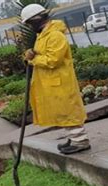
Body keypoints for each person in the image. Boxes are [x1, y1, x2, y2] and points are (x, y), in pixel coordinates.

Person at [21, 4, 91, 154]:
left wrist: (33, 60)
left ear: (36, 20)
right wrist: (30, 55)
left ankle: (81, 141)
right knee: (63, 113)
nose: (29, 26)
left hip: (61, 81)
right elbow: (39, 54)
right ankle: (74, 138)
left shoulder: (55, 35)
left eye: (29, 23)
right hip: (52, 82)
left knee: (69, 112)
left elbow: (53, 60)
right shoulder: (43, 35)